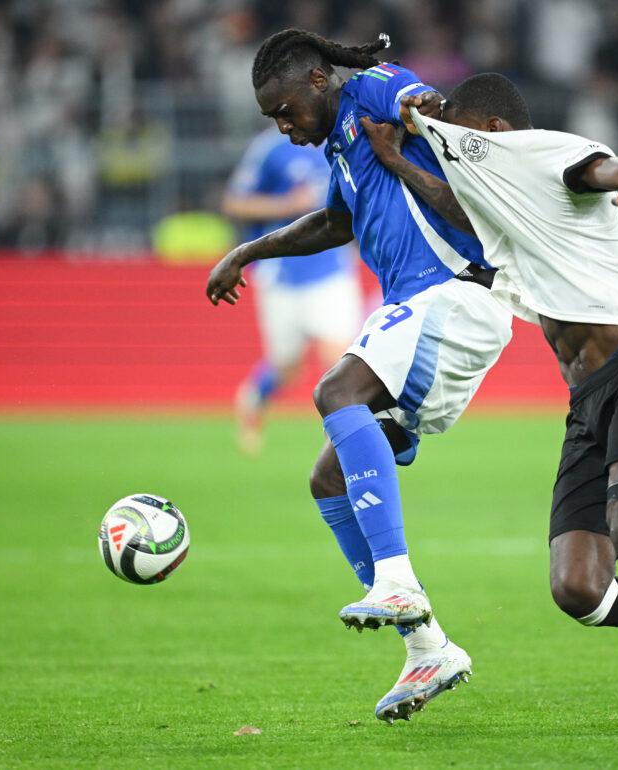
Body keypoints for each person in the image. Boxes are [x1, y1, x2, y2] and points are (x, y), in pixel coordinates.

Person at [357, 72, 618, 742]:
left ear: (491, 134)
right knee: (580, 589)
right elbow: (461, 208)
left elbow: (594, 167)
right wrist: (395, 162)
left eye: (458, 129)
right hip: (588, 403)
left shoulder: (539, 152)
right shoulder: (507, 213)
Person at [205, 31, 514, 723]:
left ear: (319, 79)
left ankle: (397, 582)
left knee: (333, 391)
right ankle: (427, 646)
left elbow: (431, 104)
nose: (284, 128)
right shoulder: (343, 147)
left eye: (286, 110)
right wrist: (249, 251)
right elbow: (336, 222)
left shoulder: (373, 89)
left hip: (458, 293)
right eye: (272, 121)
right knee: (328, 477)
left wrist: (424, 111)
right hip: (422, 307)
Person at [222, 127, 363, 453]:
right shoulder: (269, 148)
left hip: (332, 270)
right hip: (281, 272)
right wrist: (288, 203)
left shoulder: (344, 141)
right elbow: (235, 202)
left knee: (340, 360)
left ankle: (341, 443)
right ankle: (254, 399)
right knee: (288, 367)